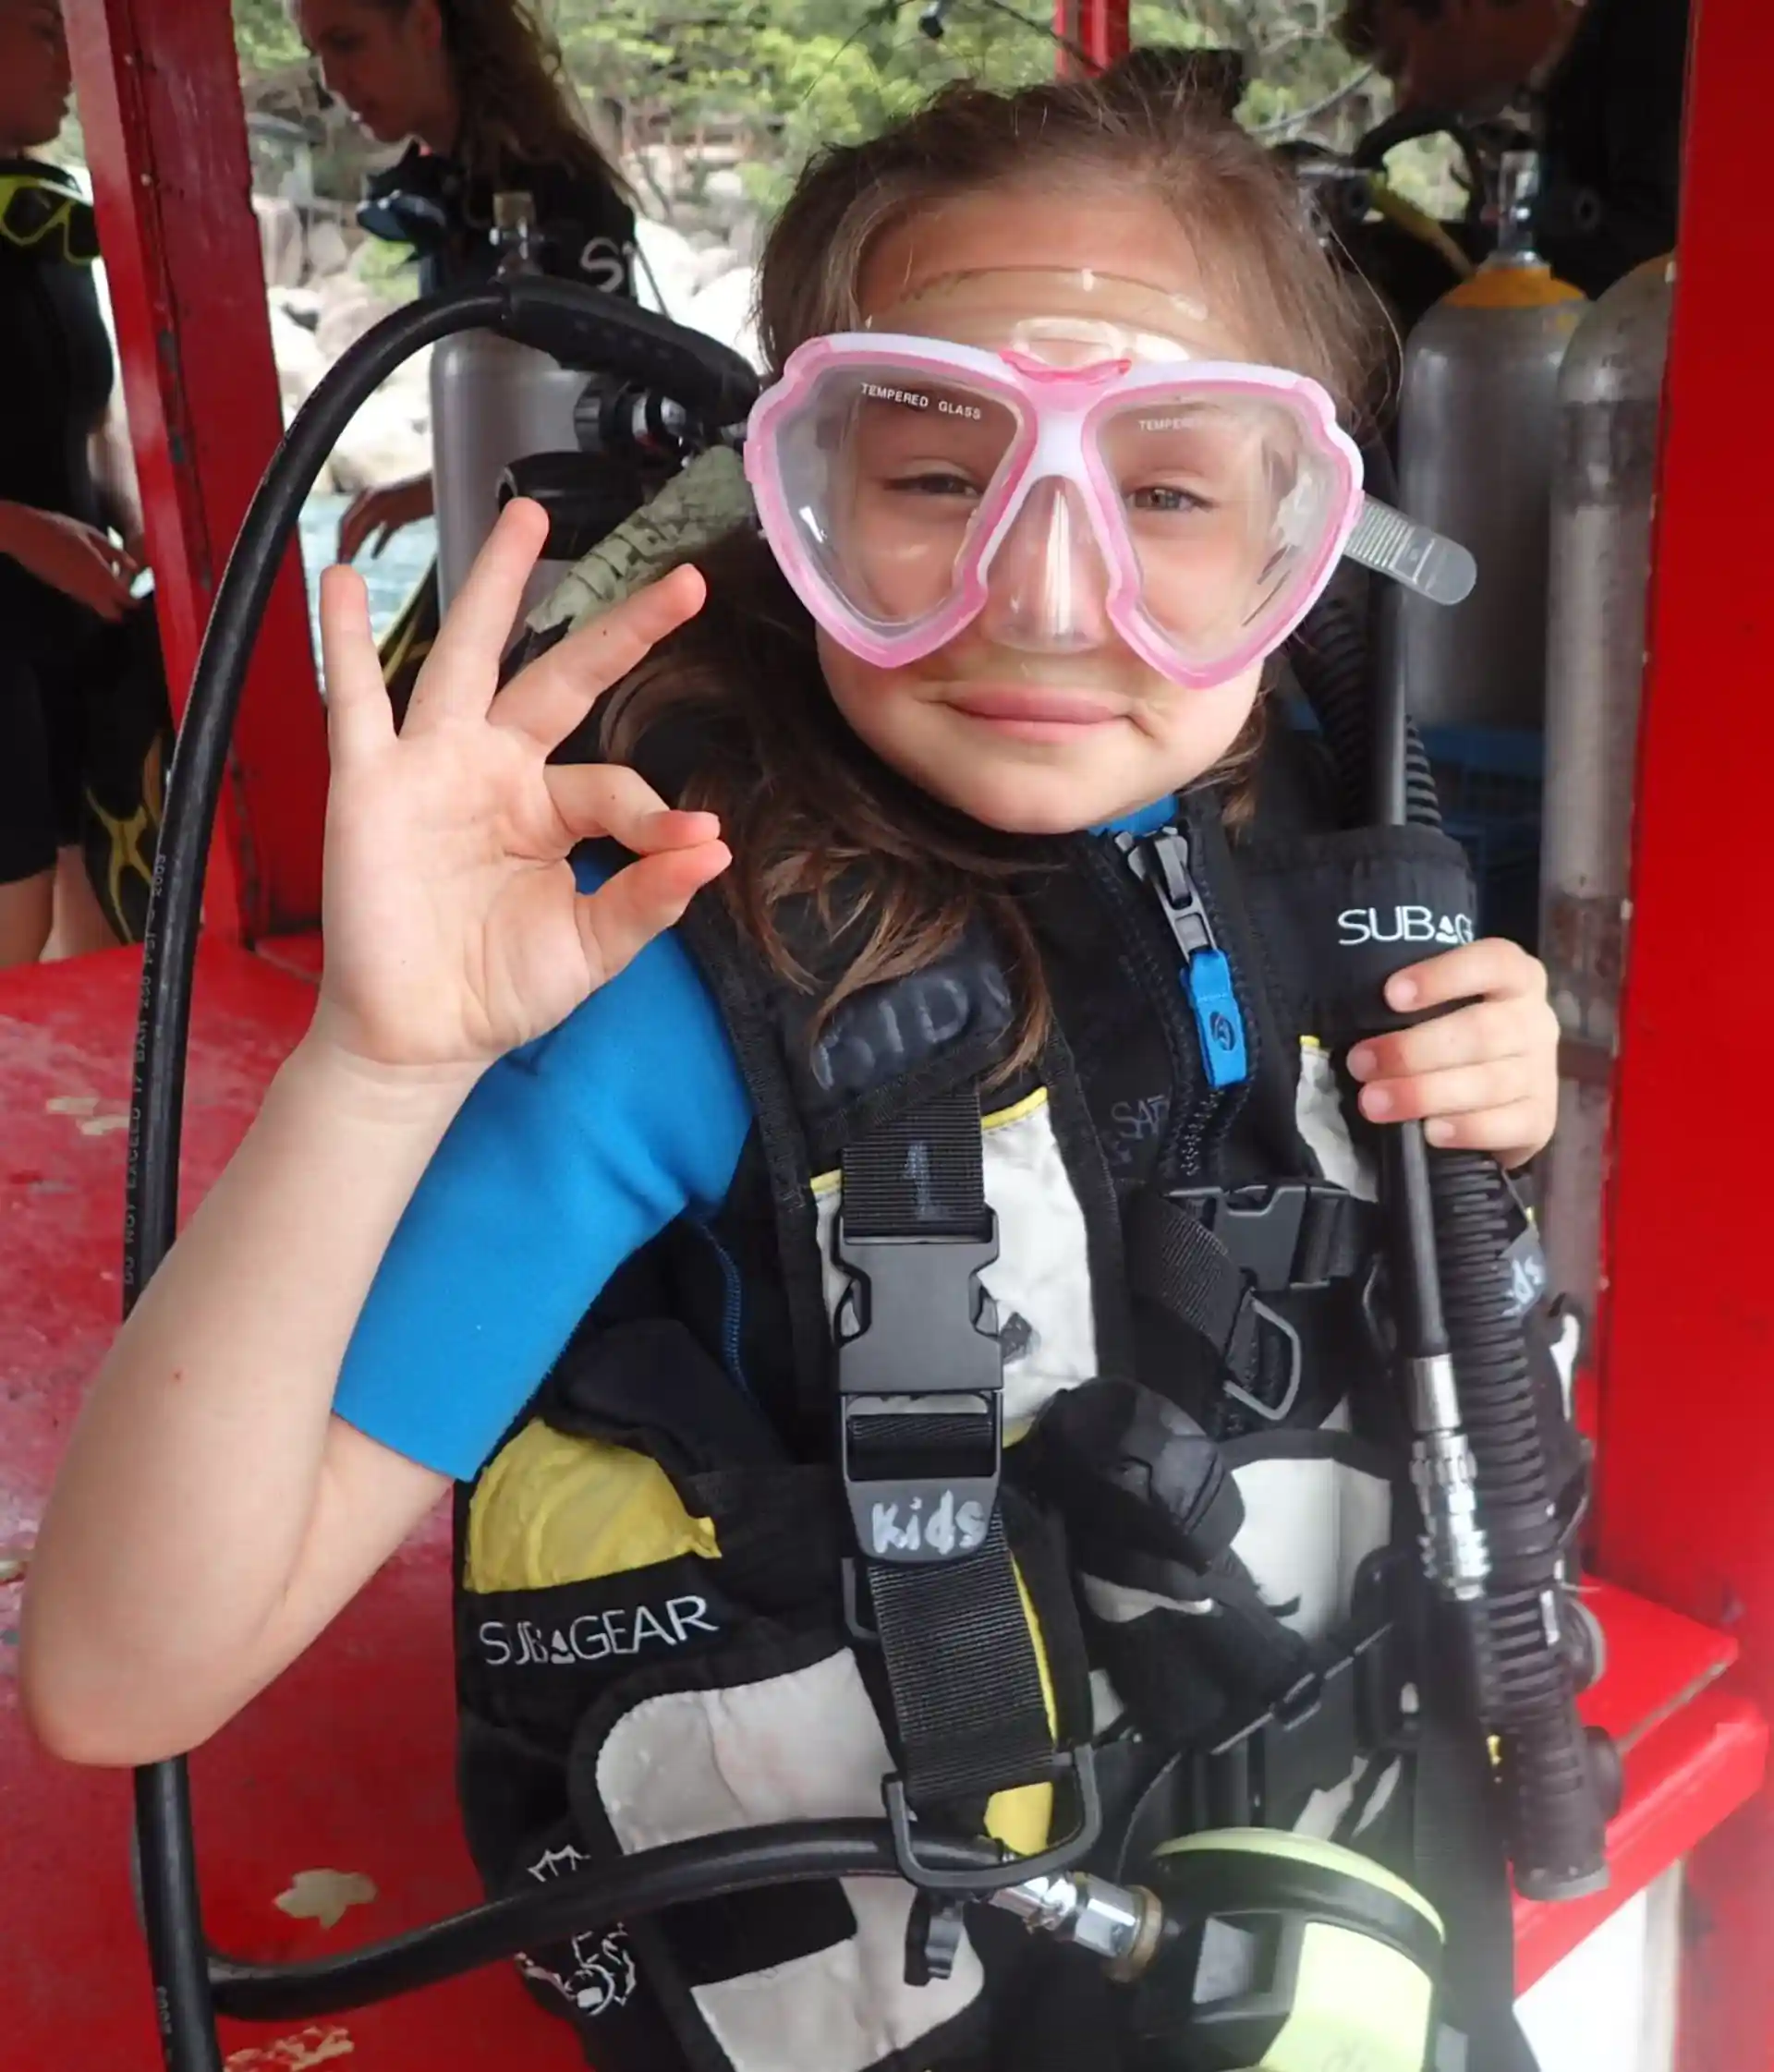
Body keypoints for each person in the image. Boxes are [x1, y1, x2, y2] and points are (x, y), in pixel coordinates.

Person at [23, 72, 1571, 2072]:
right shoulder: (684, 984)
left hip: (1335, 1928)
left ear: (1312, 534)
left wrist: (1488, 1108)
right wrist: (377, 1067)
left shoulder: (1343, 881)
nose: (1044, 590)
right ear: (794, 498)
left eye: (1170, 494)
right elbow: (120, 1672)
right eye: (932, 473)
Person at [295, 0, 638, 568]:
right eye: (317, 54)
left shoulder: (558, 199)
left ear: (424, 25)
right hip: (508, 543)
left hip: (565, 563)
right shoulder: (446, 194)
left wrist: (441, 489)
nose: (330, 79)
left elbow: (601, 422)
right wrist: (436, 488)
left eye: (347, 43)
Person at [0, 0, 164, 966]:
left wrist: (137, 518)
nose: (72, 58)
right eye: (42, 28)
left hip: (73, 627)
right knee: (16, 924)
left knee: (102, 921)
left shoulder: (41, 222)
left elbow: (88, 419)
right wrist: (26, 533)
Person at [1339, 0, 1689, 297]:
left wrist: (1415, 256)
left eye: (1400, 62)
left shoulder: (1655, 32)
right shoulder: (1550, 102)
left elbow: (1652, 253)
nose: (1404, 101)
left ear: (1460, 8)